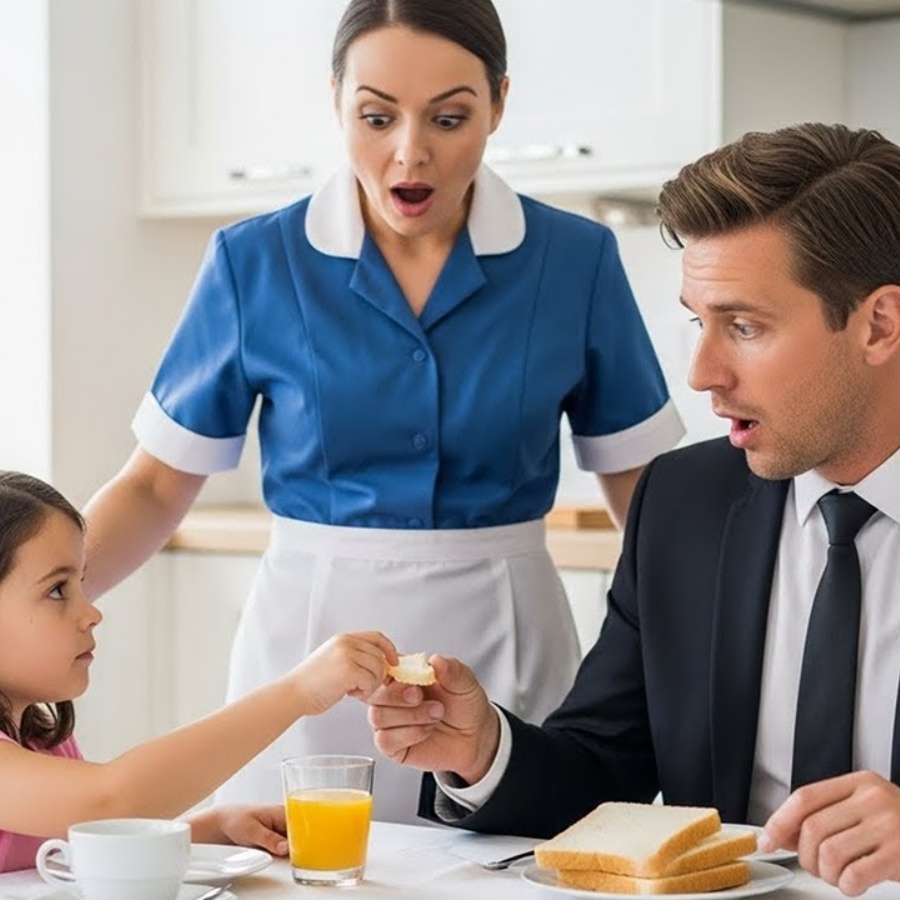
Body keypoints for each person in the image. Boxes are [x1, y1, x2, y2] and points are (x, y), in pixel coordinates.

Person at [79, 0, 683, 822]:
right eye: (376, 116)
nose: (412, 152)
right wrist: (30, 610)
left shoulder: (574, 262)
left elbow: (643, 490)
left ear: (499, 102)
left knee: (506, 862)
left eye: (450, 117)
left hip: (507, 642)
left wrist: (706, 643)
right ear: (336, 101)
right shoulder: (255, 261)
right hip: (306, 651)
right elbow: (153, 489)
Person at [367, 122, 900, 895]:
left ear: (878, 324)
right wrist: (482, 750)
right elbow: (602, 768)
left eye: (745, 326)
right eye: (699, 320)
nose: (701, 372)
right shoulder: (685, 502)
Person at [0, 470, 397, 873]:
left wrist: (209, 828)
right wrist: (299, 692)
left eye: (81, 584)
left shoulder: (41, 740)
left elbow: (86, 844)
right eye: (57, 590)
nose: (91, 612)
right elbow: (109, 801)